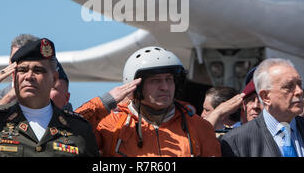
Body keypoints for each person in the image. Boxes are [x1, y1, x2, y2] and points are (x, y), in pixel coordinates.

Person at [76, 46, 221, 157]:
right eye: (155, 81)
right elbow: (69, 129)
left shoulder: (199, 127)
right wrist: (105, 102)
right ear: (135, 86)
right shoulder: (111, 125)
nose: (165, 87)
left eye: (169, 80)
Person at [220, 58, 304, 157]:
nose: (299, 91)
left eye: (299, 84)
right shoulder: (237, 140)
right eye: (288, 86)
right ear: (265, 97)